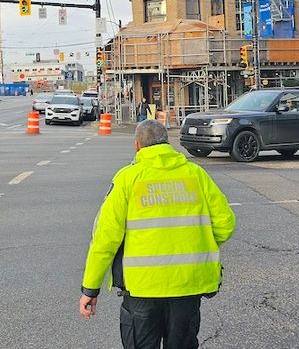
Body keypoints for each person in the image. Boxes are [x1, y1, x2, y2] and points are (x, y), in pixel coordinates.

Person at [79, 119, 235, 349]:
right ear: (167, 142)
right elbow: (225, 223)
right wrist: (198, 243)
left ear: (137, 146)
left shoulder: (127, 179)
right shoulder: (196, 175)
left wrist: (90, 289)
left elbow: (105, 239)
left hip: (143, 287)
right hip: (188, 284)